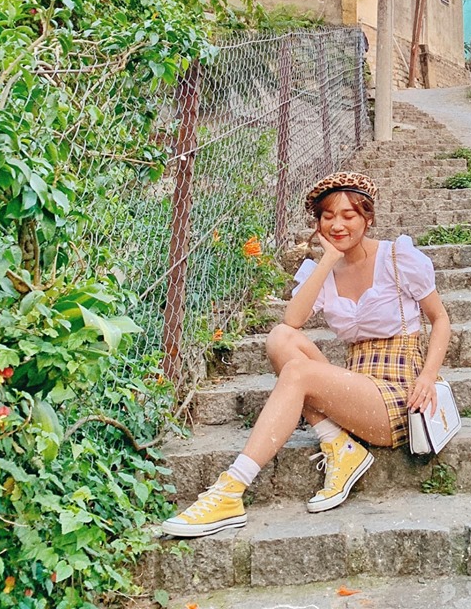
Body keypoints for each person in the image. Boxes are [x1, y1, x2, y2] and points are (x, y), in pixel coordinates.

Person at [160, 171, 451, 538]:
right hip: (357, 386)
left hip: (398, 395)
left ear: (368, 217)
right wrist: (329, 260)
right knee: (281, 338)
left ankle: (230, 490)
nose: (337, 225)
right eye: (327, 217)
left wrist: (427, 376)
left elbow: (440, 320)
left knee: (298, 373)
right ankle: (339, 445)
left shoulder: (397, 258)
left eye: (348, 215)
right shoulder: (323, 270)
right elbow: (293, 320)